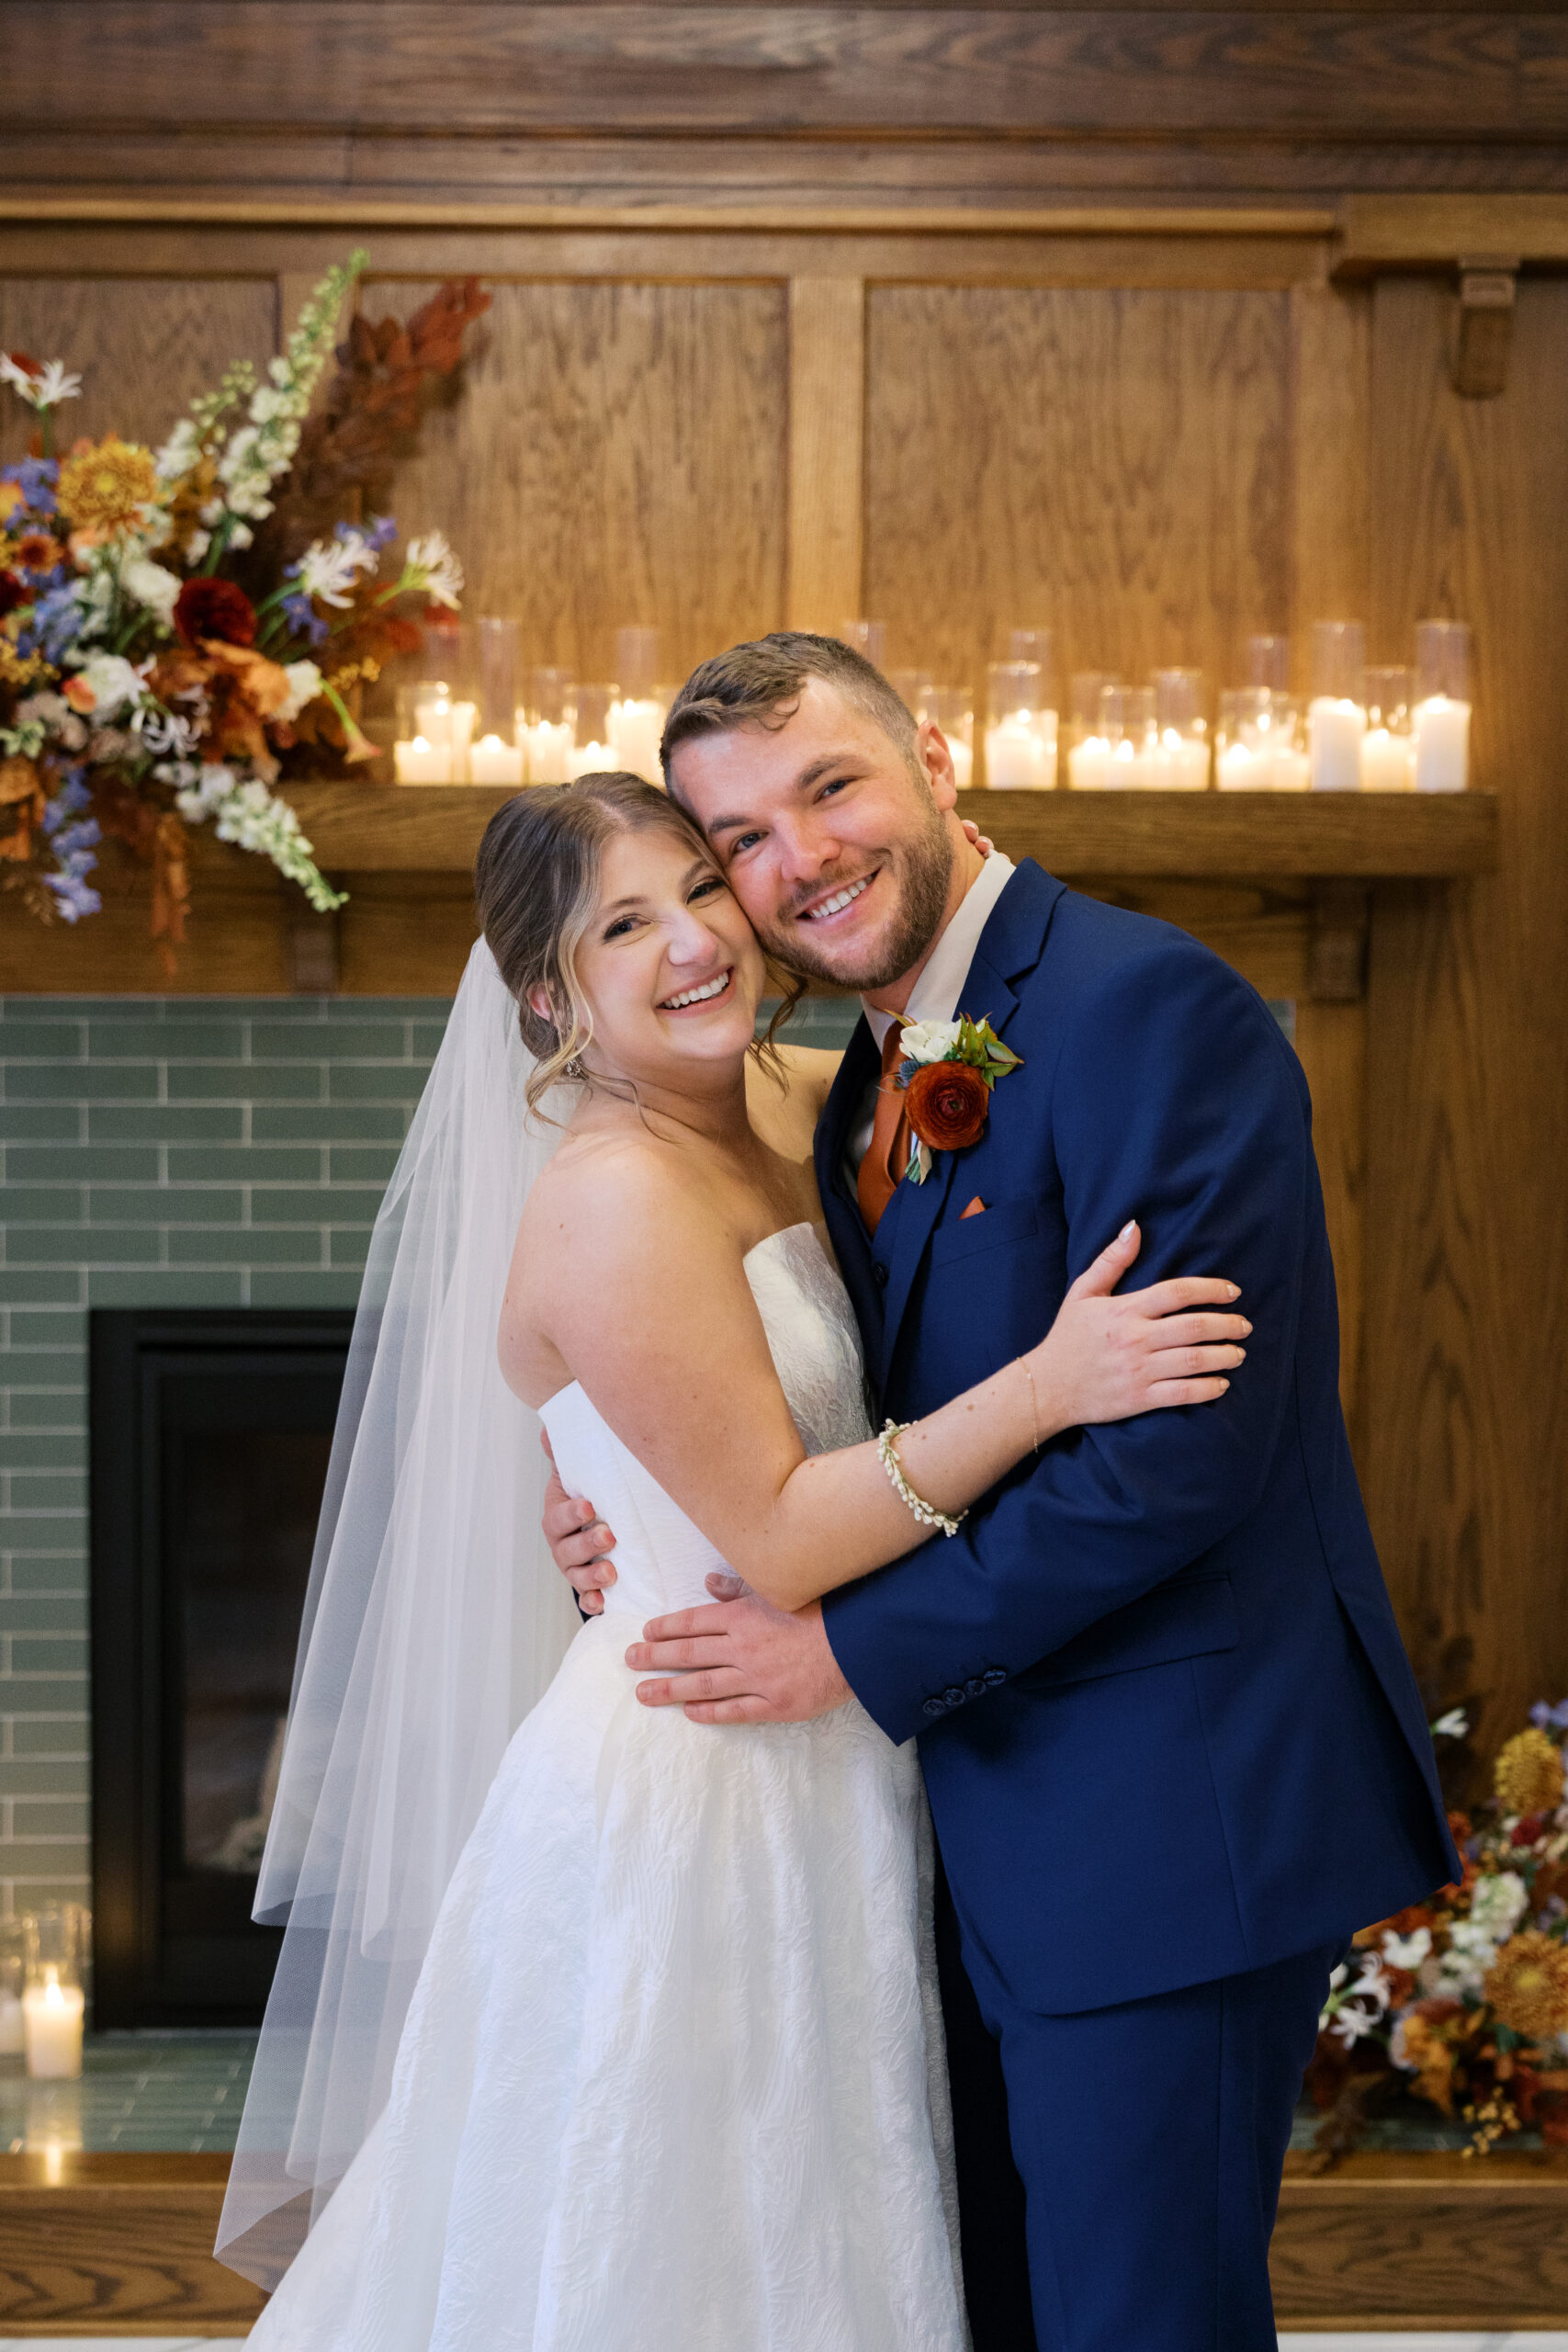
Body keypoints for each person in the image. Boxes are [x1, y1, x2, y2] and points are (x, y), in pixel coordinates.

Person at [221, 771, 1248, 2350]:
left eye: (702, 888)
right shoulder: (612, 1197)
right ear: (553, 994)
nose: (696, 940)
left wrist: (590, 1499)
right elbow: (769, 1526)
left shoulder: (799, 1096)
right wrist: (1052, 1385)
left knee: (858, 2223)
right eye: (626, 926)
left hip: (859, 1745)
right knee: (696, 2242)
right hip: (699, 1790)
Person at [544, 636, 1462, 2352]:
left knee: (1138, 2326)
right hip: (971, 1824)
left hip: (1163, 1822)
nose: (796, 857)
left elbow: (1184, 1455)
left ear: (939, 765)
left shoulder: (1142, 1008)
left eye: (831, 788)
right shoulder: (860, 1076)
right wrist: (607, 1478)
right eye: (741, 836)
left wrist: (851, 1656)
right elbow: (813, 1396)